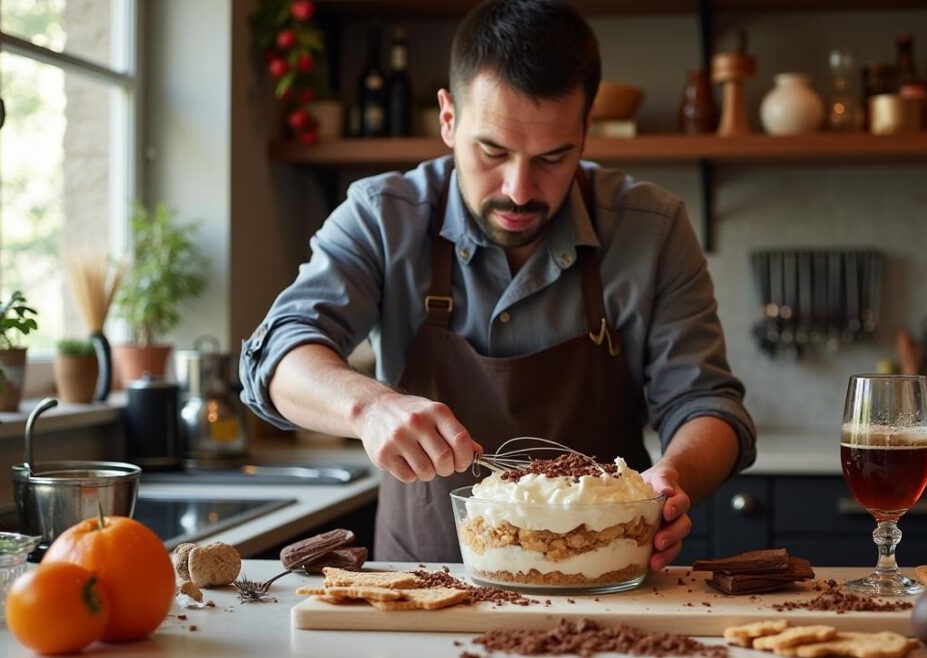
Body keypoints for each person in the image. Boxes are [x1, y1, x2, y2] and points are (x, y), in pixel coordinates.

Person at [239, 0, 756, 566]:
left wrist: (674, 477)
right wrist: (369, 408)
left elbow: (706, 403)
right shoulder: (382, 215)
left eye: (553, 157)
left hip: (607, 584)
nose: (518, 189)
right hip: (422, 588)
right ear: (448, 119)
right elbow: (278, 352)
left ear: (587, 132)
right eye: (493, 151)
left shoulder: (651, 229)